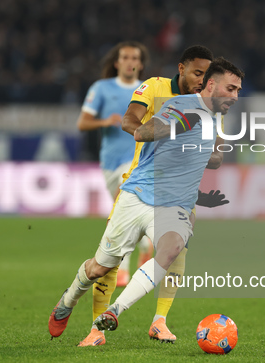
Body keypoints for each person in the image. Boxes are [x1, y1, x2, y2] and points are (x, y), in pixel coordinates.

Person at [49, 57, 244, 343]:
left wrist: (207, 151)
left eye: (239, 90)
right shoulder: (179, 106)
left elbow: (215, 158)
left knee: (172, 248)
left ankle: (115, 311)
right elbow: (142, 132)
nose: (236, 96)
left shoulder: (217, 116)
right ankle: (67, 300)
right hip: (138, 195)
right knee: (100, 267)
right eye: (231, 89)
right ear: (212, 85)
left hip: (174, 204)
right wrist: (180, 129)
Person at [76, 41, 153, 290]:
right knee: (128, 212)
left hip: (139, 161)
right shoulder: (101, 88)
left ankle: (122, 269)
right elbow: (82, 123)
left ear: (140, 64)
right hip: (111, 161)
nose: (130, 62)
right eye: (125, 57)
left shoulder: (148, 89)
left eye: (134, 58)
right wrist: (104, 122)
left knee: (127, 204)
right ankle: (144, 247)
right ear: (117, 62)